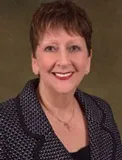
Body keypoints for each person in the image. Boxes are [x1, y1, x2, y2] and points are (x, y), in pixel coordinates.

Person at [0, 0, 122, 159]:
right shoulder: (3, 125)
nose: (64, 61)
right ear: (35, 61)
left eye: (74, 48)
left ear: (88, 60)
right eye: (51, 48)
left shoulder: (102, 111)